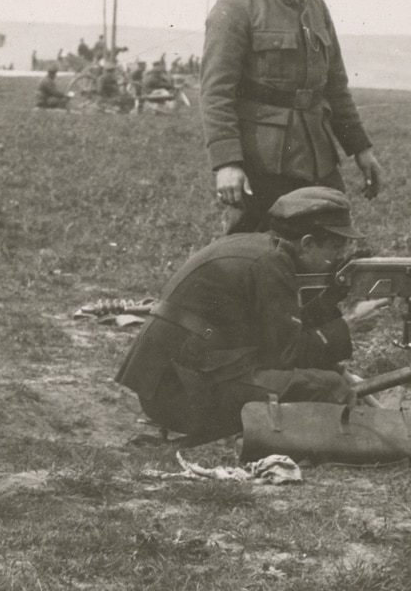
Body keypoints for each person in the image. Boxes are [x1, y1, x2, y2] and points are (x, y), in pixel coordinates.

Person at [114, 187, 387, 444]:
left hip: (169, 383)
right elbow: (284, 356)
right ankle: (378, 440)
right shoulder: (271, 264)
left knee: (321, 378)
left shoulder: (262, 248)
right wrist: (349, 323)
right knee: (328, 386)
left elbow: (277, 334)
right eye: (335, 250)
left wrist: (328, 299)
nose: (338, 258)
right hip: (183, 396)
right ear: (307, 244)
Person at [201, 0, 383, 233]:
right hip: (264, 168)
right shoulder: (236, 9)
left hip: (319, 160)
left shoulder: (317, 8)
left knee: (330, 250)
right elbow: (216, 95)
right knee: (255, 260)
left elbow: (336, 88)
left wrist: (361, 149)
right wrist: (227, 163)